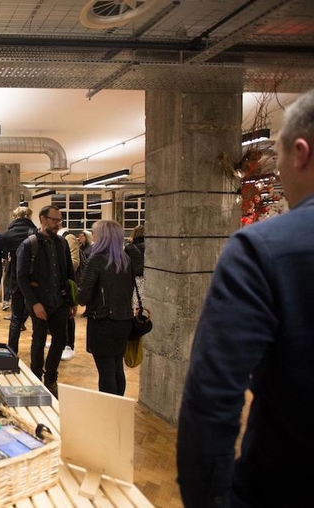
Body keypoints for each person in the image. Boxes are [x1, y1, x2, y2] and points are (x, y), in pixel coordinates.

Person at [177, 89, 314, 507]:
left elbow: (212, 397)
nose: (277, 174)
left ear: (301, 153)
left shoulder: (262, 249)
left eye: (277, 157)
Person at [15, 205, 76, 397]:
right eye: (54, 220)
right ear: (42, 219)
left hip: (60, 302)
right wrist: (34, 303)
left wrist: (72, 301)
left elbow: (69, 273)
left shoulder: (62, 243)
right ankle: (35, 378)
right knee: (39, 340)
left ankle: (50, 378)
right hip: (39, 302)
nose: (58, 224)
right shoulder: (28, 245)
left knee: (60, 340)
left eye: (59, 220)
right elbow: (21, 278)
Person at [76, 220, 134, 395]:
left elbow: (82, 297)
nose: (93, 236)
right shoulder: (125, 260)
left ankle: (108, 408)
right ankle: (118, 407)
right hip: (124, 321)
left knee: (107, 371)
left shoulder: (97, 260)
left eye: (95, 232)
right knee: (117, 368)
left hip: (102, 321)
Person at [2, 206, 38, 353]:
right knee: (36, 318)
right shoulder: (35, 233)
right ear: (28, 216)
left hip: (16, 278)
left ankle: (12, 351)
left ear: (15, 217)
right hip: (33, 279)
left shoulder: (7, 234)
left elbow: (4, 256)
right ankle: (36, 353)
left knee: (15, 318)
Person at [58, 227, 81, 361]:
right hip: (57, 283)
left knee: (68, 315)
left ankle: (69, 345)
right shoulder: (52, 239)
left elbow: (75, 262)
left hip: (67, 283)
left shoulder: (69, 238)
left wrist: (58, 269)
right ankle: (61, 342)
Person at [124, 225, 145, 308]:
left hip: (133, 277)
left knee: (135, 300)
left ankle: (136, 313)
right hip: (147, 276)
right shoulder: (149, 246)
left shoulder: (128, 247)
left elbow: (125, 263)